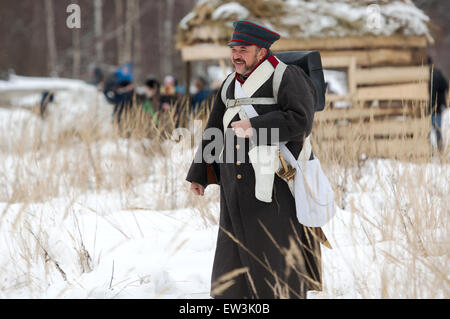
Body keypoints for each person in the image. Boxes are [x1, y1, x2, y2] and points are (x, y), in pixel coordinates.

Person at [186, 20, 323, 299]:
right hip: (234, 187)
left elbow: (301, 122)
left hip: (275, 183)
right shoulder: (228, 85)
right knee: (232, 258)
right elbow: (215, 130)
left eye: (243, 49)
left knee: (275, 254)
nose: (236, 55)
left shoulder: (287, 76)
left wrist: (257, 127)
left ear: (261, 52)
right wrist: (200, 173)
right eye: (233, 49)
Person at [428, 57, 449, 153]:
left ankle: (436, 151)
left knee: (434, 130)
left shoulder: (431, 76)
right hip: (439, 107)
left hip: (433, 108)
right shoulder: (439, 75)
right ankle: (438, 150)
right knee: (437, 131)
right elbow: (446, 87)